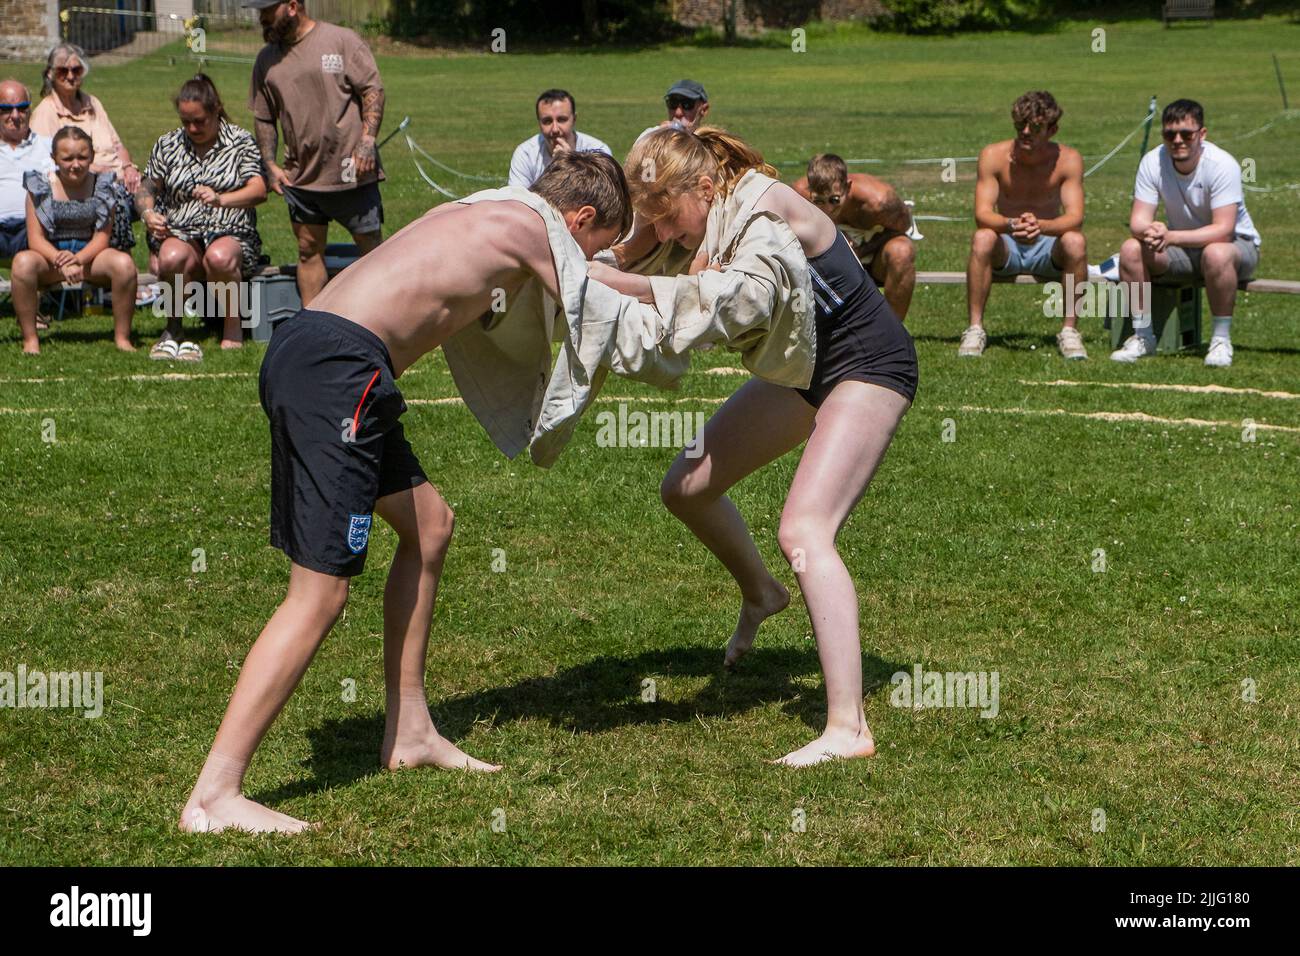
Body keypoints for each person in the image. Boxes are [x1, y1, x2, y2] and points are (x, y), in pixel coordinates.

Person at [179, 153, 650, 834]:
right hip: (340, 370)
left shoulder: (489, 206)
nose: (589, 252)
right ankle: (214, 794)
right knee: (320, 593)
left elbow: (589, 277)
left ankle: (410, 731)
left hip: (327, 356)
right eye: (595, 239)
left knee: (429, 527)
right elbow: (592, 299)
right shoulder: (530, 228)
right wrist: (701, 294)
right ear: (578, 218)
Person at [590, 127, 918, 767]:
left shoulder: (762, 206)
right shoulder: (706, 212)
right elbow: (645, 251)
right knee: (686, 485)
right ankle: (763, 593)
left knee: (805, 529)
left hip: (867, 364)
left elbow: (732, 301)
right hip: (805, 371)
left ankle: (848, 727)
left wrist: (618, 283)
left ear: (705, 189)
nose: (667, 233)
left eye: (670, 217)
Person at [246, 0, 385, 305]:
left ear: (292, 6)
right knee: (308, 251)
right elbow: (263, 116)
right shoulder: (266, 60)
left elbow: (372, 90)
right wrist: (269, 164)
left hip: (351, 171)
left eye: (267, 12)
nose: (262, 19)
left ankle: (381, 321)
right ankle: (314, 328)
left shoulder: (340, 40)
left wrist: (366, 142)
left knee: (372, 250)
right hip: (301, 177)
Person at [1111, 99, 1260, 368]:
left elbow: (1224, 230)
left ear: (1202, 135)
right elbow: (1137, 222)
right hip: (1184, 248)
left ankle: (1220, 339)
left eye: (1186, 134)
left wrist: (1170, 237)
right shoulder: (1152, 162)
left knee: (1216, 253)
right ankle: (1143, 336)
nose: (1177, 140)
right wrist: (1152, 230)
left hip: (1237, 246)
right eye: (1170, 134)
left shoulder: (1222, 164)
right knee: (1130, 249)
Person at [137, 74, 267, 360]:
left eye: (199, 121)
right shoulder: (169, 144)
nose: (192, 128)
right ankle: (173, 328)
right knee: (170, 257)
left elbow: (259, 190)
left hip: (231, 230)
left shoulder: (240, 141)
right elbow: (146, 186)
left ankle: (233, 327)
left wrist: (222, 199)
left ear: (215, 110)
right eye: (186, 122)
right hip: (183, 232)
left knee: (219, 258)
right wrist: (148, 213)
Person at [959, 90, 1088, 360]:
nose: (1026, 132)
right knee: (982, 237)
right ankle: (974, 329)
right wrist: (1011, 223)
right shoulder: (993, 155)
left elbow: (1075, 217)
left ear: (1052, 129)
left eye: (1035, 127)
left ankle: (1069, 331)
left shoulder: (1069, 159)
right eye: (1020, 125)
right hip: (1007, 243)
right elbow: (982, 214)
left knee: (1075, 241)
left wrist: (1040, 225)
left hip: (1048, 245)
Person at [10, 126, 137, 354]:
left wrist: (78, 260)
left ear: (92, 157)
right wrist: (62, 261)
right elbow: (35, 239)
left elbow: (103, 236)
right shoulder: (39, 187)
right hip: (50, 257)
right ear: (54, 158)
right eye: (67, 158)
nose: (75, 164)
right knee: (22, 263)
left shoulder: (103, 185)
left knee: (124, 265)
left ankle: (122, 337)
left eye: (82, 157)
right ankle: (30, 340)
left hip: (91, 256)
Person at [28, 43, 138, 254]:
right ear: (50, 74)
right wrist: (98, 172)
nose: (70, 76)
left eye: (76, 70)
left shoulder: (92, 103)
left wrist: (129, 167)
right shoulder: (46, 112)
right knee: (117, 204)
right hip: (85, 185)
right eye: (63, 70)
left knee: (153, 197)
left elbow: (118, 145)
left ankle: (162, 269)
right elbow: (48, 163)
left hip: (120, 178)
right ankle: (119, 270)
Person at [793, 154, 916, 321]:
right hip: (824, 261)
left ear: (848, 187)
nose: (827, 208)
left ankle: (891, 330)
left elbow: (905, 228)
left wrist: (861, 250)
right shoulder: (797, 196)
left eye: (834, 200)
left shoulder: (878, 202)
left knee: (902, 251)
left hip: (873, 254)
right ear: (809, 190)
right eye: (818, 200)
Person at [508, 89, 612, 188]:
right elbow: (516, 201)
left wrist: (569, 163)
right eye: (547, 121)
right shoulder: (525, 154)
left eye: (562, 120)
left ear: (574, 119)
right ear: (539, 123)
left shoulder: (598, 151)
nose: (555, 129)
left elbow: (605, 199)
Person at [0, 79, 54, 259]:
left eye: (22, 108)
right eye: (6, 109)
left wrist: (125, 168)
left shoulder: (50, 146)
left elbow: (84, 164)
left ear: (30, 110)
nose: (15, 116)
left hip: (35, 230)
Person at [635, 80, 710, 142]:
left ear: (704, 109)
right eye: (673, 103)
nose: (678, 113)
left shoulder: (711, 144)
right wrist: (658, 140)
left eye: (687, 104)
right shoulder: (649, 136)